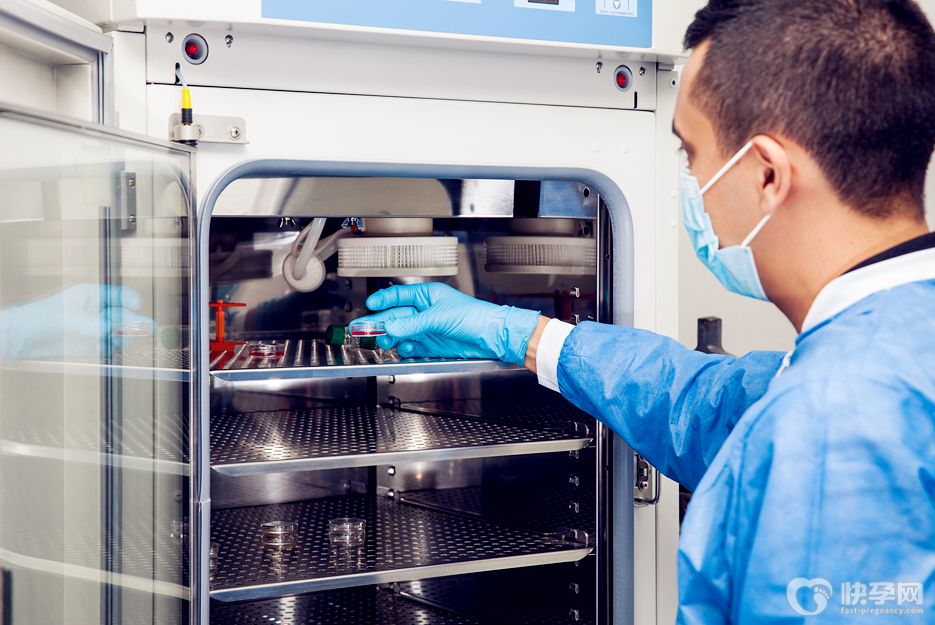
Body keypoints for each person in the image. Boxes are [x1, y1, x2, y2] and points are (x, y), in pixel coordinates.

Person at [354, 1, 935, 622]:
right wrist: (515, 332)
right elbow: (710, 408)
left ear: (766, 174)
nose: (691, 183)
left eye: (691, 154)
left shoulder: (834, 426)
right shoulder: (891, 345)